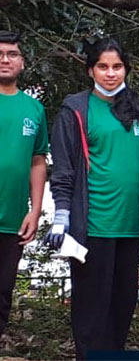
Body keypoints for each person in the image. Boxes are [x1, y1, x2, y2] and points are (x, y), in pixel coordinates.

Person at [45, 37, 139, 359]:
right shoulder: (75, 109)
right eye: (103, 66)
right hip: (92, 228)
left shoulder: (138, 110)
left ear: (126, 70)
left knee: (121, 311)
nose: (110, 73)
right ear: (91, 70)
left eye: (117, 67)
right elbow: (62, 169)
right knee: (92, 315)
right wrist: (61, 215)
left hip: (131, 228)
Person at [0, 31, 47, 337]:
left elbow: (38, 160)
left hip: (13, 219)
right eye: (0, 54)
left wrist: (36, 209)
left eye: (12, 54)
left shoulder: (34, 109)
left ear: (22, 62)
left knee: (2, 295)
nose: (5, 60)